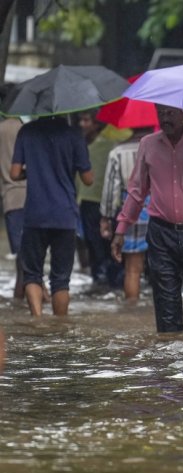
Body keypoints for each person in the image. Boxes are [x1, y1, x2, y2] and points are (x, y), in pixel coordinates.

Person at [111, 104, 183, 332]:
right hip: (161, 232)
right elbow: (137, 190)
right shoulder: (148, 144)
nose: (165, 117)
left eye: (171, 112)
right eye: (161, 112)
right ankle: (166, 360)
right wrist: (121, 230)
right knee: (166, 305)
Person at [10, 115, 93, 316]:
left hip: (35, 214)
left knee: (32, 274)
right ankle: (60, 325)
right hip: (64, 215)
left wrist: (32, 172)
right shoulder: (74, 134)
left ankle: (37, 320)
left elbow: (14, 173)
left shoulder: (27, 131)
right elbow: (88, 179)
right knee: (61, 279)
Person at [100, 126, 152, 302]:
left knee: (132, 269)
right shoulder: (162, 147)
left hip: (130, 209)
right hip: (160, 209)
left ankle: (132, 309)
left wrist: (106, 216)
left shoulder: (118, 152)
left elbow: (110, 189)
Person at [78, 110, 119, 288]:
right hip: (86, 202)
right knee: (91, 244)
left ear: (96, 124)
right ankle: (98, 280)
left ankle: (112, 281)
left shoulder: (109, 145)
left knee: (108, 244)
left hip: (107, 203)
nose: (82, 124)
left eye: (86, 120)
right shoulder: (79, 145)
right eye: (81, 120)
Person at [0, 86, 25, 299]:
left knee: (21, 255)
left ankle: (21, 299)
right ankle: (29, 297)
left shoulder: (1, 128)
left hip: (10, 197)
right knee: (27, 257)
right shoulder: (23, 129)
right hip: (27, 195)